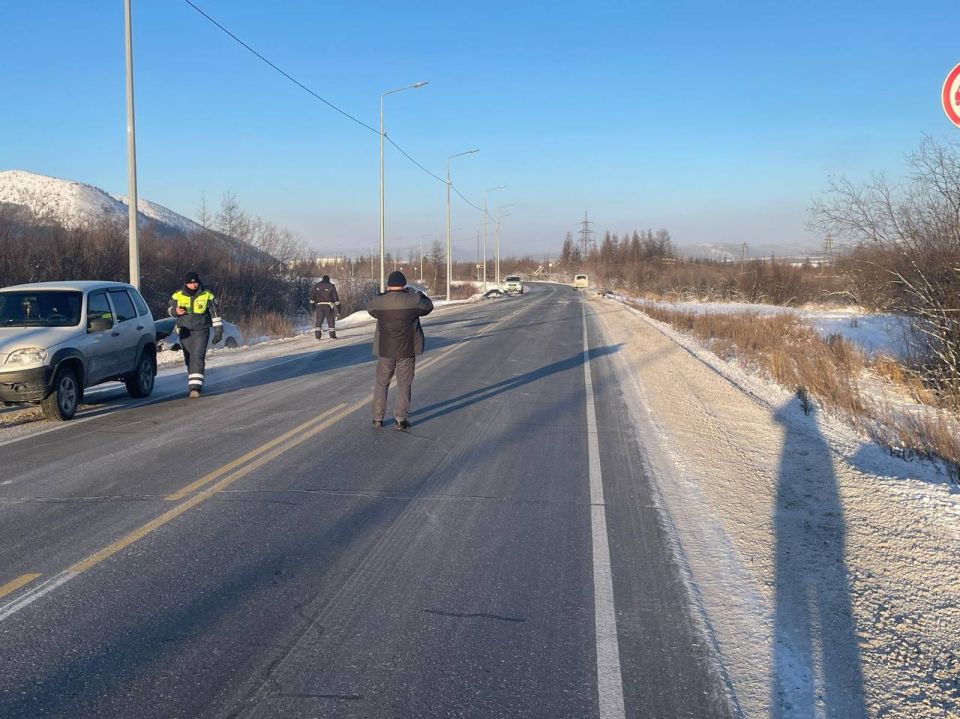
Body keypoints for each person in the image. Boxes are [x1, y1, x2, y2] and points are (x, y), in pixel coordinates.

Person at [367, 271, 433, 430]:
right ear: (404, 284)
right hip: (407, 349)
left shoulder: (380, 301)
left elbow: (371, 309)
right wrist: (418, 293)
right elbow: (428, 306)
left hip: (385, 348)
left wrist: (384, 295)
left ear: (389, 284)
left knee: (382, 383)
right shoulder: (413, 299)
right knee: (404, 384)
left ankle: (377, 418)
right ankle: (401, 419)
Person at [169, 271, 222, 398]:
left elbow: (215, 314)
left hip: (201, 331)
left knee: (197, 356)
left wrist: (218, 331)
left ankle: (195, 388)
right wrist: (175, 311)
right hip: (185, 332)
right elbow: (169, 309)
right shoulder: (177, 295)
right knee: (189, 358)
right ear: (186, 283)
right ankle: (194, 379)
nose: (194, 285)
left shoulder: (207, 295)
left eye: (196, 283)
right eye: (191, 283)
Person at [310, 274, 340, 340]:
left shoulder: (317, 285)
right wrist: (338, 308)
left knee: (318, 321)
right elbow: (336, 298)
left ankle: (317, 336)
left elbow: (312, 297)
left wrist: (312, 307)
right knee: (330, 320)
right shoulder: (331, 286)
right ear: (328, 279)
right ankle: (332, 336)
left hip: (319, 306)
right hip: (329, 306)